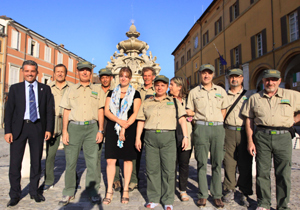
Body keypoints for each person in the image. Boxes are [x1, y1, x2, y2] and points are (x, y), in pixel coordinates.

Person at [242, 69, 300, 210]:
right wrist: (250, 141)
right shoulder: (255, 98)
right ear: (263, 81)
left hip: (283, 137)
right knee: (262, 172)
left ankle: (282, 205)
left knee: (283, 173)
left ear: (279, 81)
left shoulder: (292, 95)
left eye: (274, 79)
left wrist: (293, 120)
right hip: (262, 136)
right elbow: (249, 120)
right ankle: (263, 203)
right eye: (267, 79)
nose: (270, 82)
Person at [4, 60, 54, 207]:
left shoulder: (45, 89)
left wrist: (48, 129)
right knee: (15, 163)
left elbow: (49, 111)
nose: (30, 74)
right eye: (27, 71)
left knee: (36, 162)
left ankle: (34, 191)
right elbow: (9, 112)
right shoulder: (15, 89)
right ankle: (15, 194)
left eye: (32, 71)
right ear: (22, 72)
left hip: (37, 127)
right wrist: (8, 131)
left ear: (37, 72)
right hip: (19, 128)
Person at [136, 75, 188, 210]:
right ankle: (153, 198)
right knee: (152, 169)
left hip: (168, 138)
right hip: (150, 137)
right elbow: (141, 120)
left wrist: (186, 137)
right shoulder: (147, 102)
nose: (160, 87)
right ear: (154, 86)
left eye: (163, 85)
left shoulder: (174, 102)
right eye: (157, 85)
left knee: (169, 170)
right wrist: (137, 138)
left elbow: (182, 120)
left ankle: (168, 200)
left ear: (166, 87)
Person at [59, 61, 105, 205]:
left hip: (92, 127)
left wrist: (100, 130)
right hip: (74, 128)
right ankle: (68, 191)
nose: (84, 72)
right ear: (78, 73)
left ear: (91, 73)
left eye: (87, 70)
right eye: (81, 70)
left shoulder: (98, 90)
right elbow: (66, 111)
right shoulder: (70, 90)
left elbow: (100, 111)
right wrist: (64, 131)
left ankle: (92, 192)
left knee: (92, 162)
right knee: (71, 161)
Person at [186, 64, 229, 209]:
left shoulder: (221, 91)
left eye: (209, 73)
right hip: (201, 128)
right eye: (204, 73)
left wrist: (216, 121)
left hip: (217, 128)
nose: (206, 76)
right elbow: (189, 110)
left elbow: (224, 109)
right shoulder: (194, 92)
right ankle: (203, 195)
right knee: (202, 163)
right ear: (200, 74)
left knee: (217, 163)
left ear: (213, 75)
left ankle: (217, 195)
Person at [103, 67, 141, 205]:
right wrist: (119, 122)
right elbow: (106, 112)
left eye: (126, 76)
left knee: (127, 160)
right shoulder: (111, 93)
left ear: (130, 78)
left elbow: (135, 113)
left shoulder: (135, 94)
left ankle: (125, 189)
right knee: (110, 161)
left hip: (129, 129)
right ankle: (109, 190)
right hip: (113, 128)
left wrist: (124, 127)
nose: (123, 78)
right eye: (121, 76)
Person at [222, 69, 253, 206]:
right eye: (231, 77)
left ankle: (245, 192)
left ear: (242, 78)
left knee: (245, 163)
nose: (234, 79)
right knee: (229, 162)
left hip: (244, 132)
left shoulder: (250, 95)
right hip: (228, 130)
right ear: (228, 79)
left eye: (237, 77)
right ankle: (229, 189)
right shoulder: (223, 95)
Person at [124, 67, 156, 192]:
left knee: (151, 156)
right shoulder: (136, 91)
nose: (146, 77)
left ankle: (151, 180)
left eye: (149, 75)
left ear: (153, 77)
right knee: (134, 155)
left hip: (151, 126)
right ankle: (133, 180)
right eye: (145, 75)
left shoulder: (157, 90)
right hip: (137, 125)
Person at [44, 64, 71, 191]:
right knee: (50, 154)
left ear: (66, 73)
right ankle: (48, 180)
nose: (60, 74)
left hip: (68, 121)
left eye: (62, 72)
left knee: (71, 154)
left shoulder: (72, 87)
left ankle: (73, 180)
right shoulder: (47, 87)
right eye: (57, 72)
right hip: (52, 121)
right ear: (54, 73)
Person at [168, 77, 193, 202]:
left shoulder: (188, 100)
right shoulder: (167, 100)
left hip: (186, 135)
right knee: (171, 164)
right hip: (172, 135)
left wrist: (192, 114)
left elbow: (198, 113)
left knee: (184, 164)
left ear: (179, 86)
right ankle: (170, 189)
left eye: (172, 85)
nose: (169, 87)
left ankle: (183, 190)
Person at [97, 68, 115, 190]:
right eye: (102, 77)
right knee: (96, 152)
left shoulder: (115, 91)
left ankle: (116, 179)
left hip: (111, 122)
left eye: (107, 77)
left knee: (114, 151)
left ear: (111, 78)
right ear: (100, 79)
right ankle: (96, 177)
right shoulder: (95, 90)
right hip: (97, 122)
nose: (105, 79)